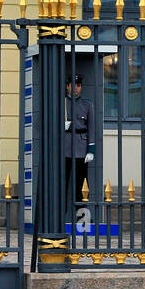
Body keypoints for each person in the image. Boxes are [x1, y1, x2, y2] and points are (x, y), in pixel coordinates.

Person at [62, 74, 95, 216]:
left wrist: (91, 150)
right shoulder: (62, 103)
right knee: (62, 185)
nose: (75, 88)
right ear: (67, 86)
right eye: (73, 85)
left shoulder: (87, 105)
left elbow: (92, 128)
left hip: (81, 150)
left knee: (82, 186)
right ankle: (59, 216)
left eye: (78, 85)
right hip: (64, 149)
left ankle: (81, 217)